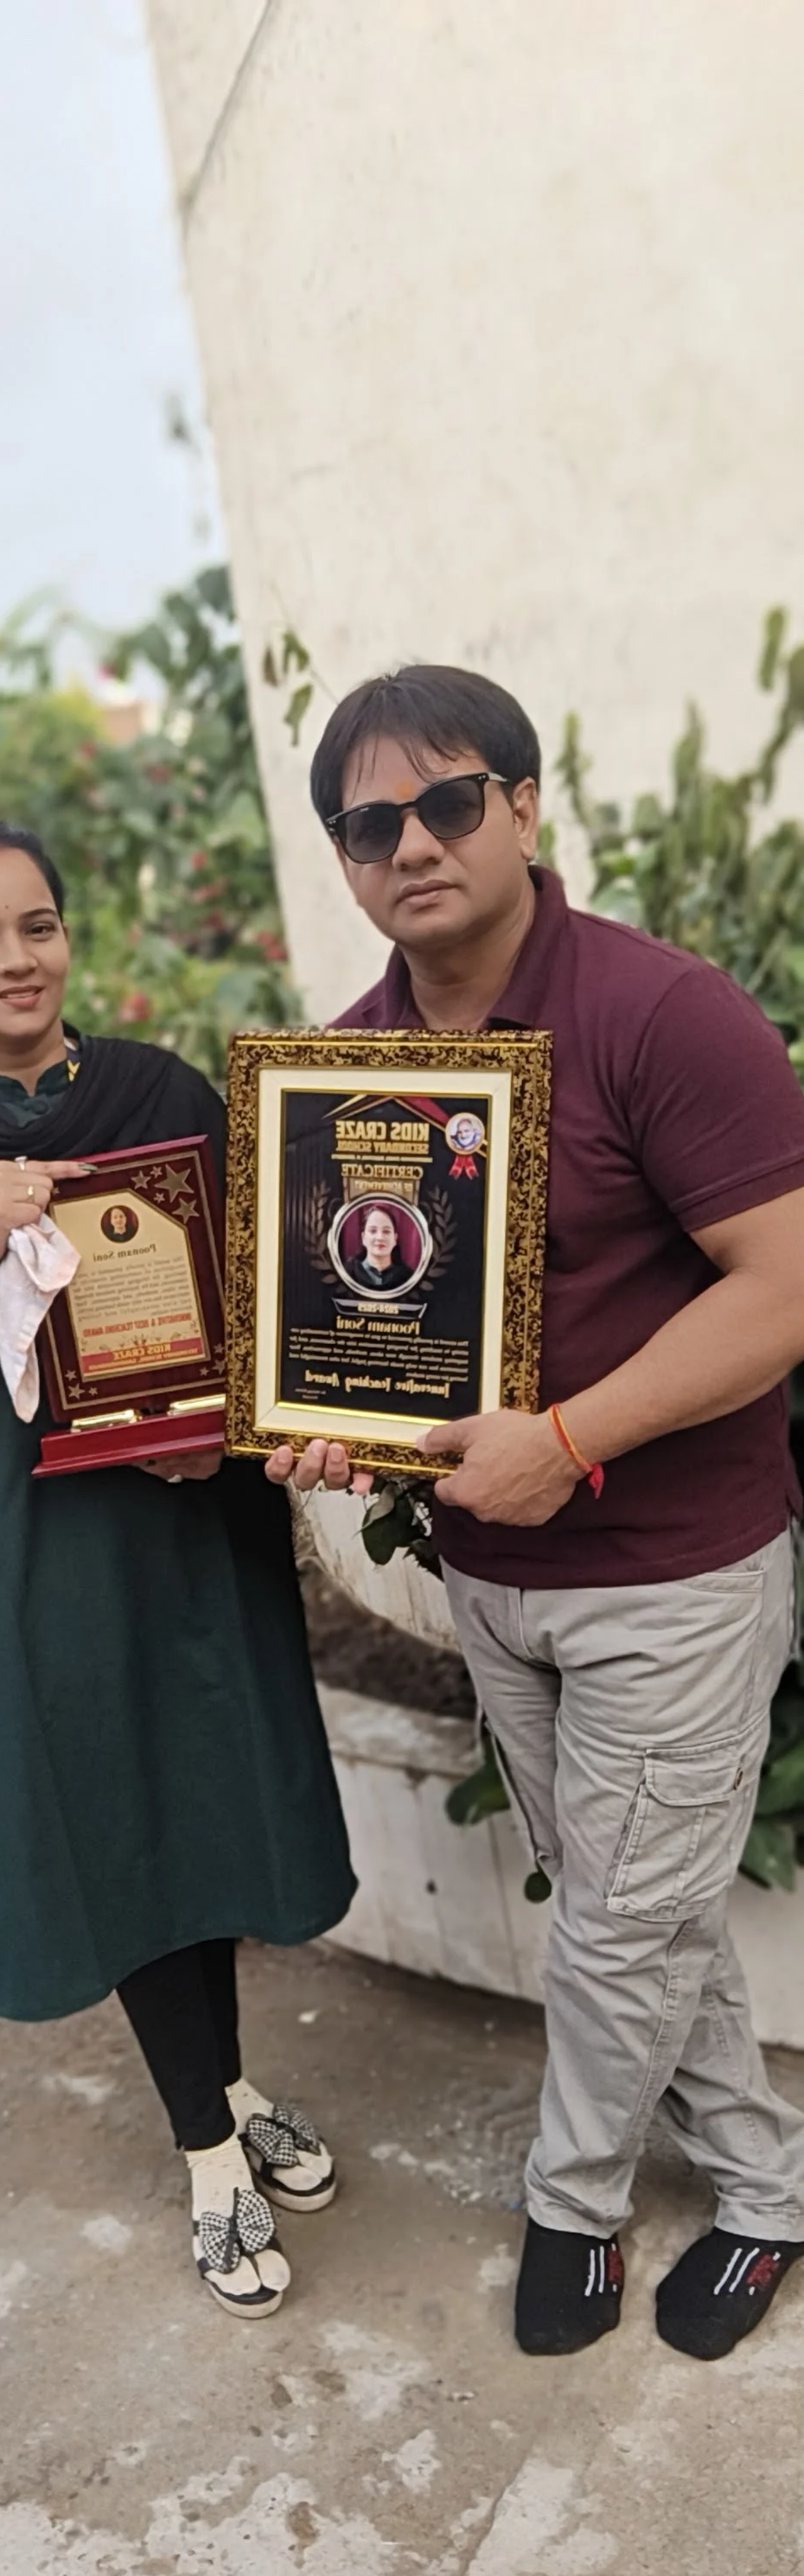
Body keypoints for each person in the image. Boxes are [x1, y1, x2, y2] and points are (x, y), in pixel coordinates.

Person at [266, 662, 804, 2362]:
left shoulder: (662, 1014)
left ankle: (570, 2209)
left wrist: (569, 1438)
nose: (411, 845)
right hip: (496, 1577)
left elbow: (783, 1287)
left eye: (445, 802)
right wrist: (336, 1422)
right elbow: (377, 1327)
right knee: (635, 1906)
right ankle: (769, 2180)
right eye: (370, 825)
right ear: (346, 860)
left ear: (521, 804)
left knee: (622, 1924)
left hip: (674, 1573)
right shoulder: (350, 1070)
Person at [0, 817, 354, 2321]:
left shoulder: (157, 1093)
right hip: (36, 1555)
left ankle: (226, 2089)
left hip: (188, 1528)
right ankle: (209, 2156)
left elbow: (260, 1301)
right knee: (115, 1821)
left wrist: (223, 1435)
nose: (16, 958)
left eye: (37, 924)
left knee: (206, 1808)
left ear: (67, 935)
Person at [350, 1203, 411, 1293]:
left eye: (386, 1231)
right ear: (363, 1238)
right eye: (373, 1231)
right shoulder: (346, 1274)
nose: (380, 1237)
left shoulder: (409, 1278)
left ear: (395, 1239)